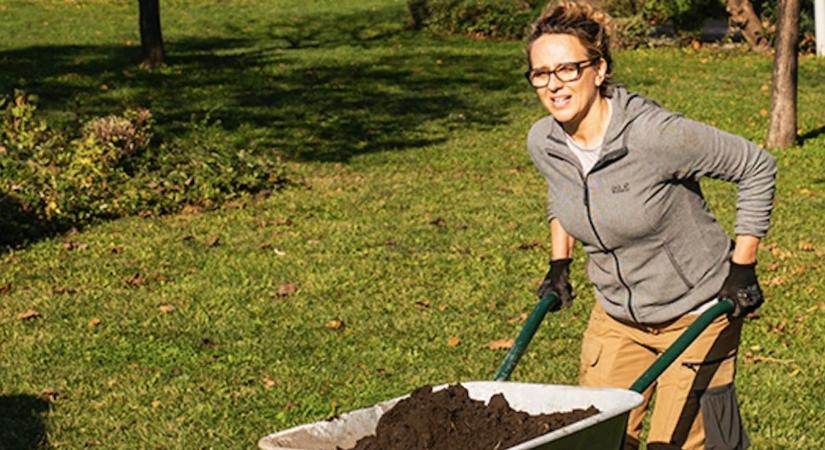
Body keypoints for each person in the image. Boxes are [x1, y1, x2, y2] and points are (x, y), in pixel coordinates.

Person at [524, 2, 776, 449]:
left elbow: (756, 165)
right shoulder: (544, 139)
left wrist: (743, 269)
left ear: (598, 69)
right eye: (541, 73)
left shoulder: (654, 135)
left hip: (695, 313)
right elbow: (561, 189)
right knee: (596, 439)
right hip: (617, 314)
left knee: (680, 443)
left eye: (567, 69)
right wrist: (559, 262)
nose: (554, 85)